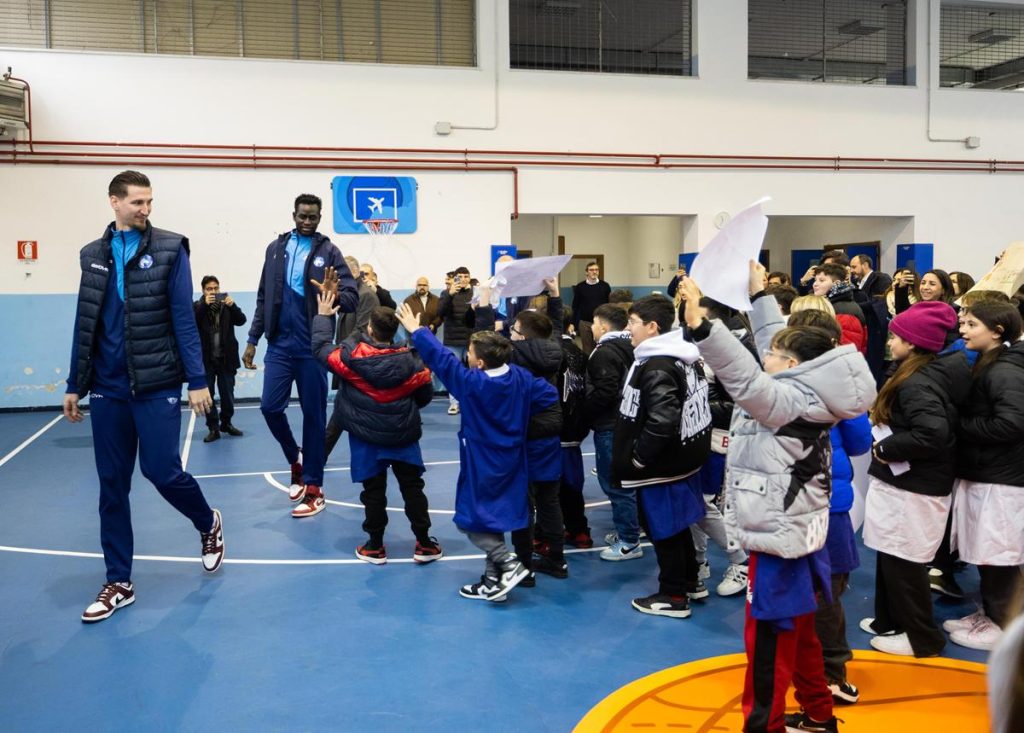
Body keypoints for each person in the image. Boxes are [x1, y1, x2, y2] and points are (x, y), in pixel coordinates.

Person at [680, 262, 876, 733]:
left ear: (791, 365)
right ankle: (818, 712)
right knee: (804, 633)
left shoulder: (788, 403)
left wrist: (703, 327)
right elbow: (774, 343)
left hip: (777, 541)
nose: (765, 355)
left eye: (773, 355)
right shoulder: (812, 384)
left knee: (766, 645)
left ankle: (762, 727)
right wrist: (759, 294)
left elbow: (746, 381)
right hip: (800, 532)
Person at [64, 170, 225, 623]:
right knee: (112, 486)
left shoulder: (171, 249)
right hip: (108, 389)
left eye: (150, 202)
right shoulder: (92, 255)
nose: (146, 210)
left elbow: (182, 317)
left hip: (155, 384)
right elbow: (85, 321)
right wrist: (75, 383)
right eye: (137, 202)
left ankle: (207, 521)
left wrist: (197, 379)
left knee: (162, 471)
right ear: (114, 202)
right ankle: (118, 581)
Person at [395, 304, 558, 602]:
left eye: (469, 353)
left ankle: (508, 564)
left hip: (482, 461)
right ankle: (492, 581)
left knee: (470, 520)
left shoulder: (471, 384)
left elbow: (441, 359)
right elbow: (548, 394)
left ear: (479, 362)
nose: (465, 357)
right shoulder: (520, 377)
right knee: (492, 520)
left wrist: (417, 330)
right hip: (513, 459)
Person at [859, 300, 965, 659]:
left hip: (915, 486)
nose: (890, 342)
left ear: (914, 342)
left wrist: (886, 448)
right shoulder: (917, 372)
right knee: (891, 553)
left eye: (896, 336)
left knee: (904, 559)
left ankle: (922, 638)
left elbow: (931, 433)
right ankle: (889, 621)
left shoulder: (918, 382)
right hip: (905, 484)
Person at [243, 193, 358, 518]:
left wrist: (334, 293)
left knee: (314, 415)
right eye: (302, 216)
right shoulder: (276, 249)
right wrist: (253, 338)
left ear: (320, 218)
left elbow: (350, 297)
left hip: (313, 347)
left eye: (313, 217)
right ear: (294, 214)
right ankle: (296, 457)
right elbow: (264, 296)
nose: (307, 222)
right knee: (269, 407)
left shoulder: (329, 252)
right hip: (279, 344)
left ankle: (315, 487)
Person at [313, 288, 441, 564]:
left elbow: (321, 349)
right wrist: (416, 331)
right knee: (412, 488)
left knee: (373, 491)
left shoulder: (350, 360)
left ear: (369, 328)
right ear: (394, 332)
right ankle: (424, 543)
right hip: (403, 434)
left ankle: (375, 546)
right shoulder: (413, 363)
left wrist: (324, 317)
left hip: (366, 437)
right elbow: (425, 395)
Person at [788, 309, 871, 704]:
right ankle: (828, 670)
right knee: (828, 589)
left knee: (816, 591)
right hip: (829, 503)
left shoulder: (780, 386)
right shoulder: (846, 389)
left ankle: (827, 673)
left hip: (800, 503)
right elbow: (859, 444)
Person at [616, 295, 712, 619]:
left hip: (663, 465)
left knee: (664, 529)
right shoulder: (680, 356)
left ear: (652, 326)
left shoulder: (658, 363)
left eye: (632, 323)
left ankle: (673, 594)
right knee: (678, 524)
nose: (628, 329)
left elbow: (663, 419)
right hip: (682, 460)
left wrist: (641, 458)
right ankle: (691, 580)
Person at [476, 281, 568, 580]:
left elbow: (486, 338)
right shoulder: (555, 349)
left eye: (514, 330)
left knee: (522, 506)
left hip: (522, 438)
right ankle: (557, 559)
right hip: (549, 437)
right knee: (550, 502)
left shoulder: (515, 357)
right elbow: (551, 327)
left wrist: (486, 300)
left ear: (522, 336)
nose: (510, 332)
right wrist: (554, 295)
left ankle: (524, 567)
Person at [949, 301, 1024, 651]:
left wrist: (959, 426)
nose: (963, 330)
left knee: (999, 554)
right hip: (987, 471)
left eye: (971, 324)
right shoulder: (990, 362)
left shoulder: (1005, 371)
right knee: (986, 550)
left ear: (997, 331)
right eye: (963, 322)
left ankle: (1005, 626)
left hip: (1000, 476)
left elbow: (1011, 423)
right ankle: (992, 613)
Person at [685, 296, 751, 598]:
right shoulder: (696, 346)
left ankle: (741, 561)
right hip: (695, 433)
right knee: (692, 500)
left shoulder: (734, 352)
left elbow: (741, 403)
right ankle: (698, 561)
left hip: (719, 436)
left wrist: (700, 407)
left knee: (704, 502)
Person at [583, 304, 640, 561]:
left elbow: (606, 391)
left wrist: (584, 415)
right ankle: (631, 530)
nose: (592, 329)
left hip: (611, 425)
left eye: (594, 324)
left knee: (615, 483)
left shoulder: (605, 353)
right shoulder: (634, 345)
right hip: (631, 421)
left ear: (604, 326)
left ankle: (630, 540)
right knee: (629, 481)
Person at [194, 275, 246, 442]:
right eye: (209, 289)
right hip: (206, 360)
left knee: (228, 394)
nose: (214, 291)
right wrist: (204, 305)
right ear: (203, 290)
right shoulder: (197, 306)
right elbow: (191, 323)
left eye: (216, 288)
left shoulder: (227, 305)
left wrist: (233, 306)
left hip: (226, 358)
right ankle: (213, 427)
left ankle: (226, 423)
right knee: (208, 396)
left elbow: (241, 320)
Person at [557, 307, 593, 549]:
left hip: (553, 430)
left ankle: (544, 535)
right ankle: (579, 530)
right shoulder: (580, 353)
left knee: (549, 488)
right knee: (573, 484)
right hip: (576, 428)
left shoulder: (548, 354)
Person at [437, 266, 474, 415]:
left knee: (475, 372)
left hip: (472, 339)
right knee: (453, 372)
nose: (463, 279)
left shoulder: (475, 292)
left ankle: (474, 401)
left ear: (470, 278)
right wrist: (450, 294)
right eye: (460, 276)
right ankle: (454, 403)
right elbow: (440, 312)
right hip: (452, 340)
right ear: (454, 279)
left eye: (466, 276)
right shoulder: (446, 293)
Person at [811, 263, 867, 353]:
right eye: (815, 280)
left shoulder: (845, 311)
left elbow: (847, 350)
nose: (815, 284)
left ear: (836, 283)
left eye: (821, 280)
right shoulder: (829, 304)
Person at [571, 261, 611, 354]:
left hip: (602, 322)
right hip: (585, 323)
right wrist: (572, 323)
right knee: (587, 349)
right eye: (591, 270)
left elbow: (609, 304)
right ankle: (588, 368)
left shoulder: (605, 286)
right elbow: (575, 305)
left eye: (596, 270)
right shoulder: (580, 287)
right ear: (586, 272)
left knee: (602, 348)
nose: (594, 272)